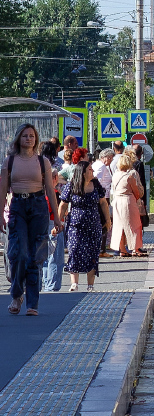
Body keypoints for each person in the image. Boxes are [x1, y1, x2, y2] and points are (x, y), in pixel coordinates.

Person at [1, 124, 63, 315]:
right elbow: (2, 190)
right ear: (18, 139)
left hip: (38, 206)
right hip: (17, 206)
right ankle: (17, 294)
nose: (28, 139)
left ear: (36, 139)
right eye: (25, 136)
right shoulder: (9, 161)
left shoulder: (42, 161)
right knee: (19, 254)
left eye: (32, 136)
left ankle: (32, 304)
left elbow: (50, 191)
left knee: (35, 256)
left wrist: (58, 218)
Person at [59, 158, 109, 291]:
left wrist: (108, 220)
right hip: (75, 225)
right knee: (74, 250)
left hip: (93, 225)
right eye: (90, 169)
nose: (92, 171)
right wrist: (58, 222)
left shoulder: (96, 184)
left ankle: (90, 285)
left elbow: (103, 203)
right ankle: (74, 283)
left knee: (92, 253)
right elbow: (63, 204)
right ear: (82, 172)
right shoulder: (71, 185)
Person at [41, 144, 74, 293]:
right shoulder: (52, 193)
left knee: (46, 258)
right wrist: (59, 223)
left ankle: (46, 283)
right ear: (54, 178)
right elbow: (54, 211)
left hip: (44, 225)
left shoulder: (41, 192)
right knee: (55, 257)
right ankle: (52, 285)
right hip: (53, 225)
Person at [110, 154, 146, 258]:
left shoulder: (115, 175)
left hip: (117, 201)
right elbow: (137, 193)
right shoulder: (129, 177)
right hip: (127, 201)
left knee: (119, 226)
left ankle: (122, 250)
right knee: (134, 225)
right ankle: (135, 248)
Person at [92, 148, 115, 257]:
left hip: (101, 196)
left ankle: (100, 248)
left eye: (112, 158)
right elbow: (96, 180)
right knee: (105, 221)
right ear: (103, 157)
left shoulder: (97, 164)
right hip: (102, 197)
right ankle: (101, 250)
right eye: (109, 157)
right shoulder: (101, 166)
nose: (111, 160)